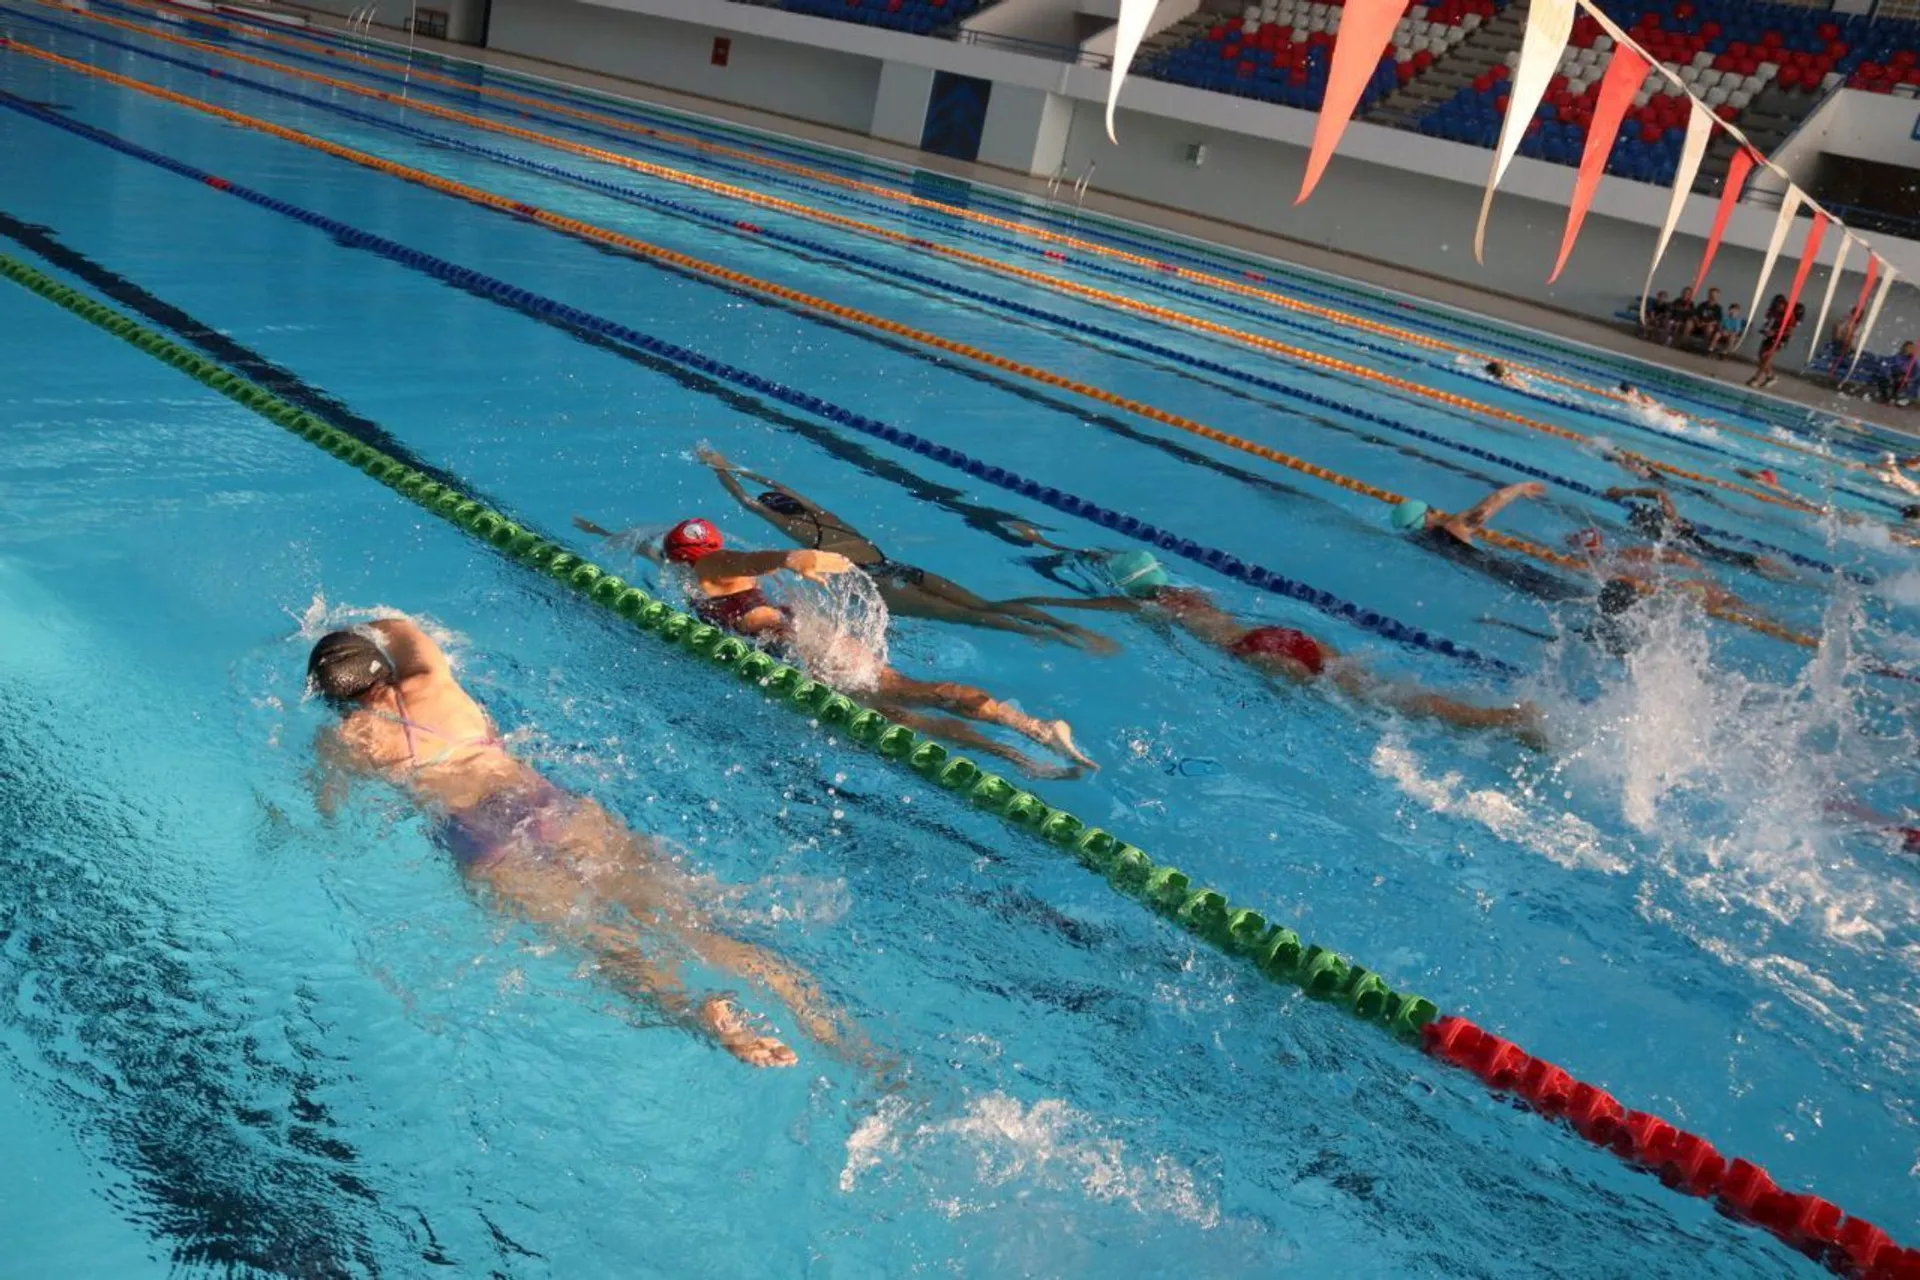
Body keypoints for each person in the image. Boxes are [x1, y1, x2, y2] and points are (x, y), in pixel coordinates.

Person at [306, 618, 863, 1069]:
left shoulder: (346, 738)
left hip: (479, 838)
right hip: (545, 806)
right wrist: (370, 623)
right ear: (382, 666)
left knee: (604, 945)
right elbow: (405, 627)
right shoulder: (432, 682)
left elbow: (329, 808)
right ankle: (829, 1029)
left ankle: (696, 1013)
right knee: (683, 918)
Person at [575, 514, 1095, 779]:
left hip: (815, 649)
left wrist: (789, 557)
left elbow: (750, 562)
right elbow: (685, 555)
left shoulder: (709, 572)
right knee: (901, 719)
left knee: (915, 693)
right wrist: (605, 533)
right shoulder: (696, 565)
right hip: (806, 643)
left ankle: (1037, 729)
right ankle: (1010, 753)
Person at [1002, 550, 1543, 744]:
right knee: (1384, 691)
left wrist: (1018, 601)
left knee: (1381, 705)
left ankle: (1500, 721)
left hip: (1262, 651)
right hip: (1282, 639)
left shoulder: (1154, 607)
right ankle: (1492, 718)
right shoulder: (1189, 593)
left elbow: (1095, 609)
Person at [687, 447, 1114, 652]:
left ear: (778, 514)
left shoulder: (802, 534)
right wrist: (739, 465)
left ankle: (1050, 638)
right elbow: (777, 487)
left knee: (973, 618)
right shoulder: (825, 517)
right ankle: (1065, 627)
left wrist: (715, 468)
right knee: (988, 604)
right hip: (905, 568)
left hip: (887, 586)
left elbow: (749, 500)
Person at [1389, 482, 1591, 602]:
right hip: (1512, 571)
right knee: (1584, 597)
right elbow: (1492, 502)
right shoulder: (1455, 526)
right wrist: (1521, 487)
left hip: (1499, 580)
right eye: (1431, 509)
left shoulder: (1423, 543)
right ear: (1429, 513)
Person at [1604, 485, 1791, 578]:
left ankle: (1792, 575)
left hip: (1715, 554)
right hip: (1713, 553)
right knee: (1748, 560)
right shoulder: (1668, 530)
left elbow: (1659, 493)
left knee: (1751, 561)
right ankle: (1790, 574)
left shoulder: (1670, 523)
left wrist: (1623, 492)